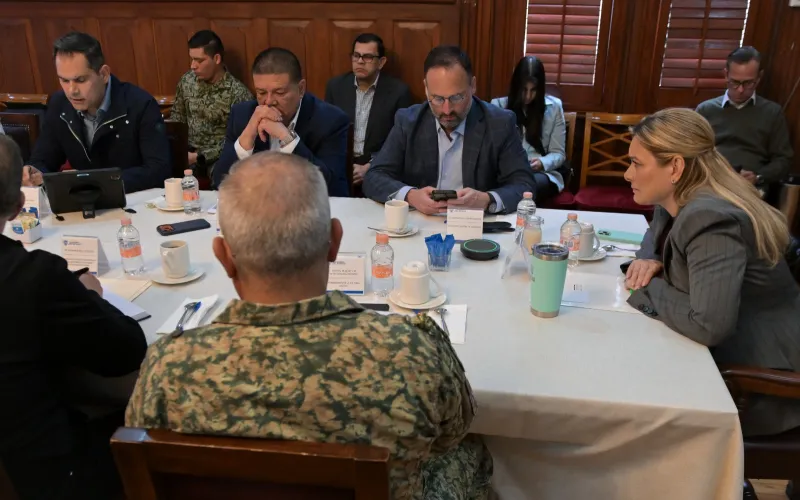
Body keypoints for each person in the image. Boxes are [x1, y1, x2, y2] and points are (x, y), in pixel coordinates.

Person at [126, 152, 493, 500]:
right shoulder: (411, 353)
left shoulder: (167, 368)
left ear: (224, 257)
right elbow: (450, 435)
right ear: (335, 242)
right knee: (474, 452)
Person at [623, 108, 800, 437]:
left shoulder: (708, 218)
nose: (627, 174)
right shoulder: (686, 194)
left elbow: (708, 325)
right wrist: (650, 259)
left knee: (630, 405)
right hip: (738, 352)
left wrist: (647, 287)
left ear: (675, 167)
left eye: (636, 163)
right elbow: (657, 231)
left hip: (763, 383)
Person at [0, 135, 147, 499]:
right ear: (19, 205)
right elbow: (126, 351)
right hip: (47, 472)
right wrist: (90, 295)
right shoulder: (34, 277)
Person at [362, 45, 535, 215]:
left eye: (456, 97)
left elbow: (524, 184)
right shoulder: (408, 121)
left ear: (472, 86)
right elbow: (374, 177)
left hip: (476, 224)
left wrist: (487, 199)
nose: (446, 110)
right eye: (437, 98)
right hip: (421, 221)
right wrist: (411, 196)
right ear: (426, 88)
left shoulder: (499, 123)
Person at [22, 31, 171, 193]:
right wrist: (34, 171)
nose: (72, 91)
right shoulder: (60, 104)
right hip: (81, 201)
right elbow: (43, 159)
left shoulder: (140, 104)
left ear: (104, 74)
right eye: (64, 80)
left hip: (133, 201)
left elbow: (158, 170)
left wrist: (92, 181)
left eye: (80, 80)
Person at [213, 48, 350, 196]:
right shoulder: (242, 115)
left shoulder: (330, 120)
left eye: (279, 93)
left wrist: (287, 138)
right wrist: (248, 135)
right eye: (261, 93)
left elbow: (328, 185)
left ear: (301, 89)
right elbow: (219, 181)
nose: (269, 101)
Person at [696, 47, 793, 197]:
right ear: (726, 75)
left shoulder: (772, 112)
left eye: (748, 83)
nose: (740, 90)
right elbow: (692, 152)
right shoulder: (706, 110)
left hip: (751, 188)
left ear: (759, 78)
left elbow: (783, 160)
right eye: (735, 82)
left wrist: (758, 177)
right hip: (711, 183)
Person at [325, 33, 413, 188]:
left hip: (380, 170)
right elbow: (328, 133)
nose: (360, 61)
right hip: (341, 167)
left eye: (367, 57)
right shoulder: (336, 87)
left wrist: (370, 167)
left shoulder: (398, 92)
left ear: (381, 62)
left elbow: (401, 141)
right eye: (356, 56)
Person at [170, 30, 253, 179]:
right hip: (186, 152)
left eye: (199, 60)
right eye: (192, 59)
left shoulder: (238, 93)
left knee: (224, 176)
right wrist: (178, 151)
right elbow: (178, 119)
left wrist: (200, 156)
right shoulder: (187, 81)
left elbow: (239, 140)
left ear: (216, 58)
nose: (193, 66)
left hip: (216, 158)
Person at [491, 56, 566, 200]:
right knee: (502, 183)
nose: (528, 96)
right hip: (507, 171)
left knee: (528, 186)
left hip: (540, 173)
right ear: (516, 87)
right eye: (524, 90)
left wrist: (542, 163)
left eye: (533, 90)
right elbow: (492, 150)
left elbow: (559, 153)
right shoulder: (498, 106)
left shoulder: (554, 107)